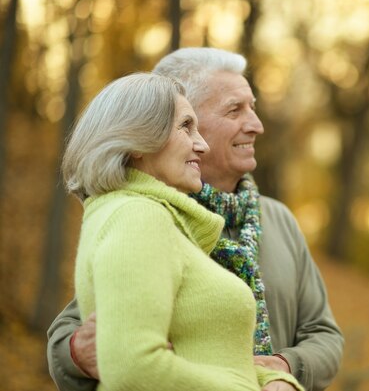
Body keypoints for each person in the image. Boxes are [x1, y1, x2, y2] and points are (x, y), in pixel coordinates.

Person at [48, 48, 344, 391]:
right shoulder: (147, 212)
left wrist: (284, 370)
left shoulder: (278, 219)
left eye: (253, 108)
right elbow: (82, 327)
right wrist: (77, 352)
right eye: (235, 110)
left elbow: (323, 334)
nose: (256, 125)